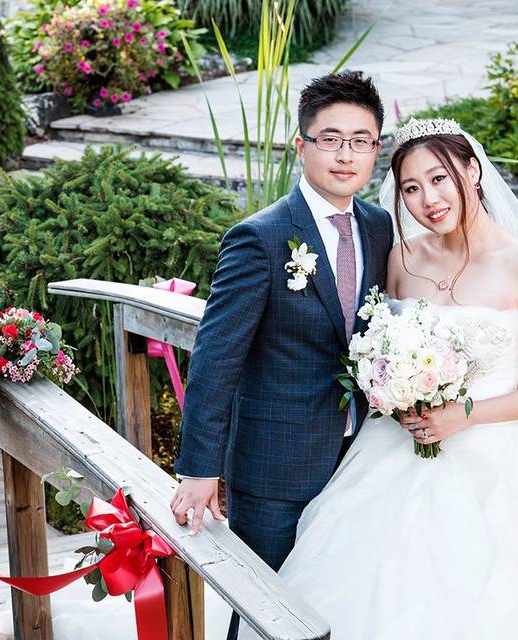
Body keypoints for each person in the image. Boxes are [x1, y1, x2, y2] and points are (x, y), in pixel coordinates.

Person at [234, 118, 518, 639]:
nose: (429, 199)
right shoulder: (402, 258)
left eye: (439, 178)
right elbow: (374, 349)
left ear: (472, 170)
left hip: (489, 452)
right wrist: (391, 388)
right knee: (346, 572)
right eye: (411, 188)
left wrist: (463, 415)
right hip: (394, 443)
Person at [170, 70, 395, 640]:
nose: (346, 155)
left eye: (361, 140)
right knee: (265, 614)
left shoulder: (378, 227)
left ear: (376, 149)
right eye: (330, 138)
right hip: (274, 467)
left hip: (360, 457)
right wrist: (200, 468)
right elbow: (216, 358)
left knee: (335, 606)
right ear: (302, 146)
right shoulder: (261, 238)